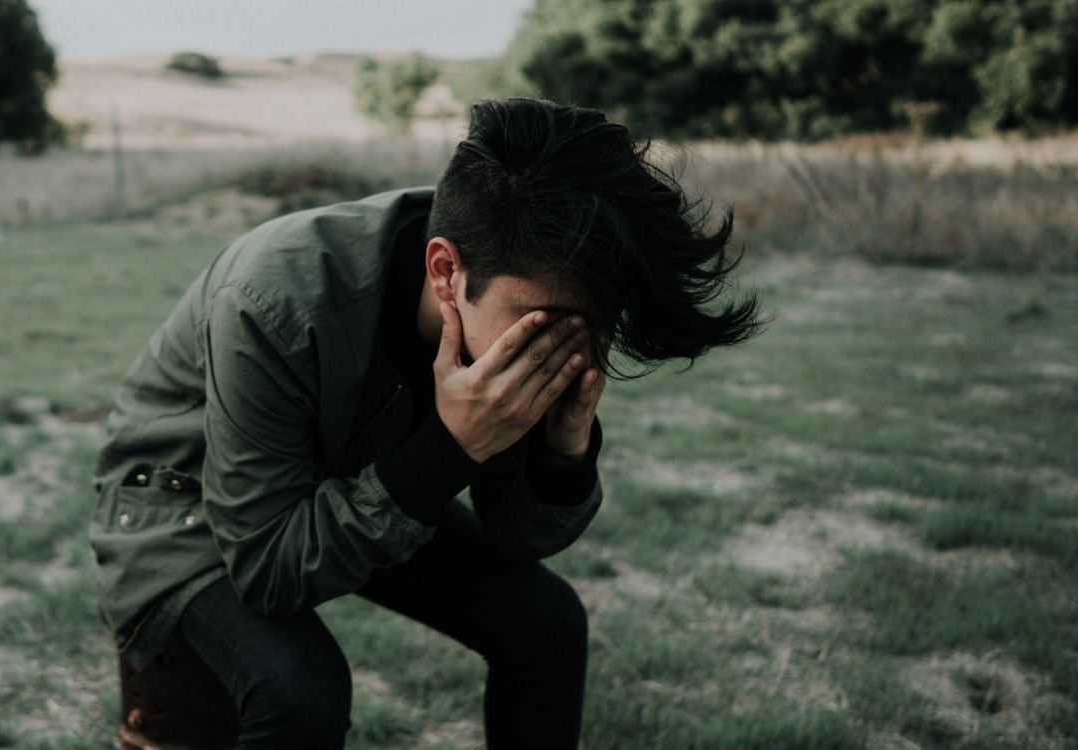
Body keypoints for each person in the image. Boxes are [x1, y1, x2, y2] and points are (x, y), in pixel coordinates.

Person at [88, 97, 763, 748]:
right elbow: (268, 568)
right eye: (545, 324)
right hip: (187, 503)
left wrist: (563, 455)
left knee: (547, 624)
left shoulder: (512, 281)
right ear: (445, 271)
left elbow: (515, 540)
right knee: (300, 691)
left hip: (355, 481)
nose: (565, 347)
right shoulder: (274, 295)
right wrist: (451, 445)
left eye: (595, 324)